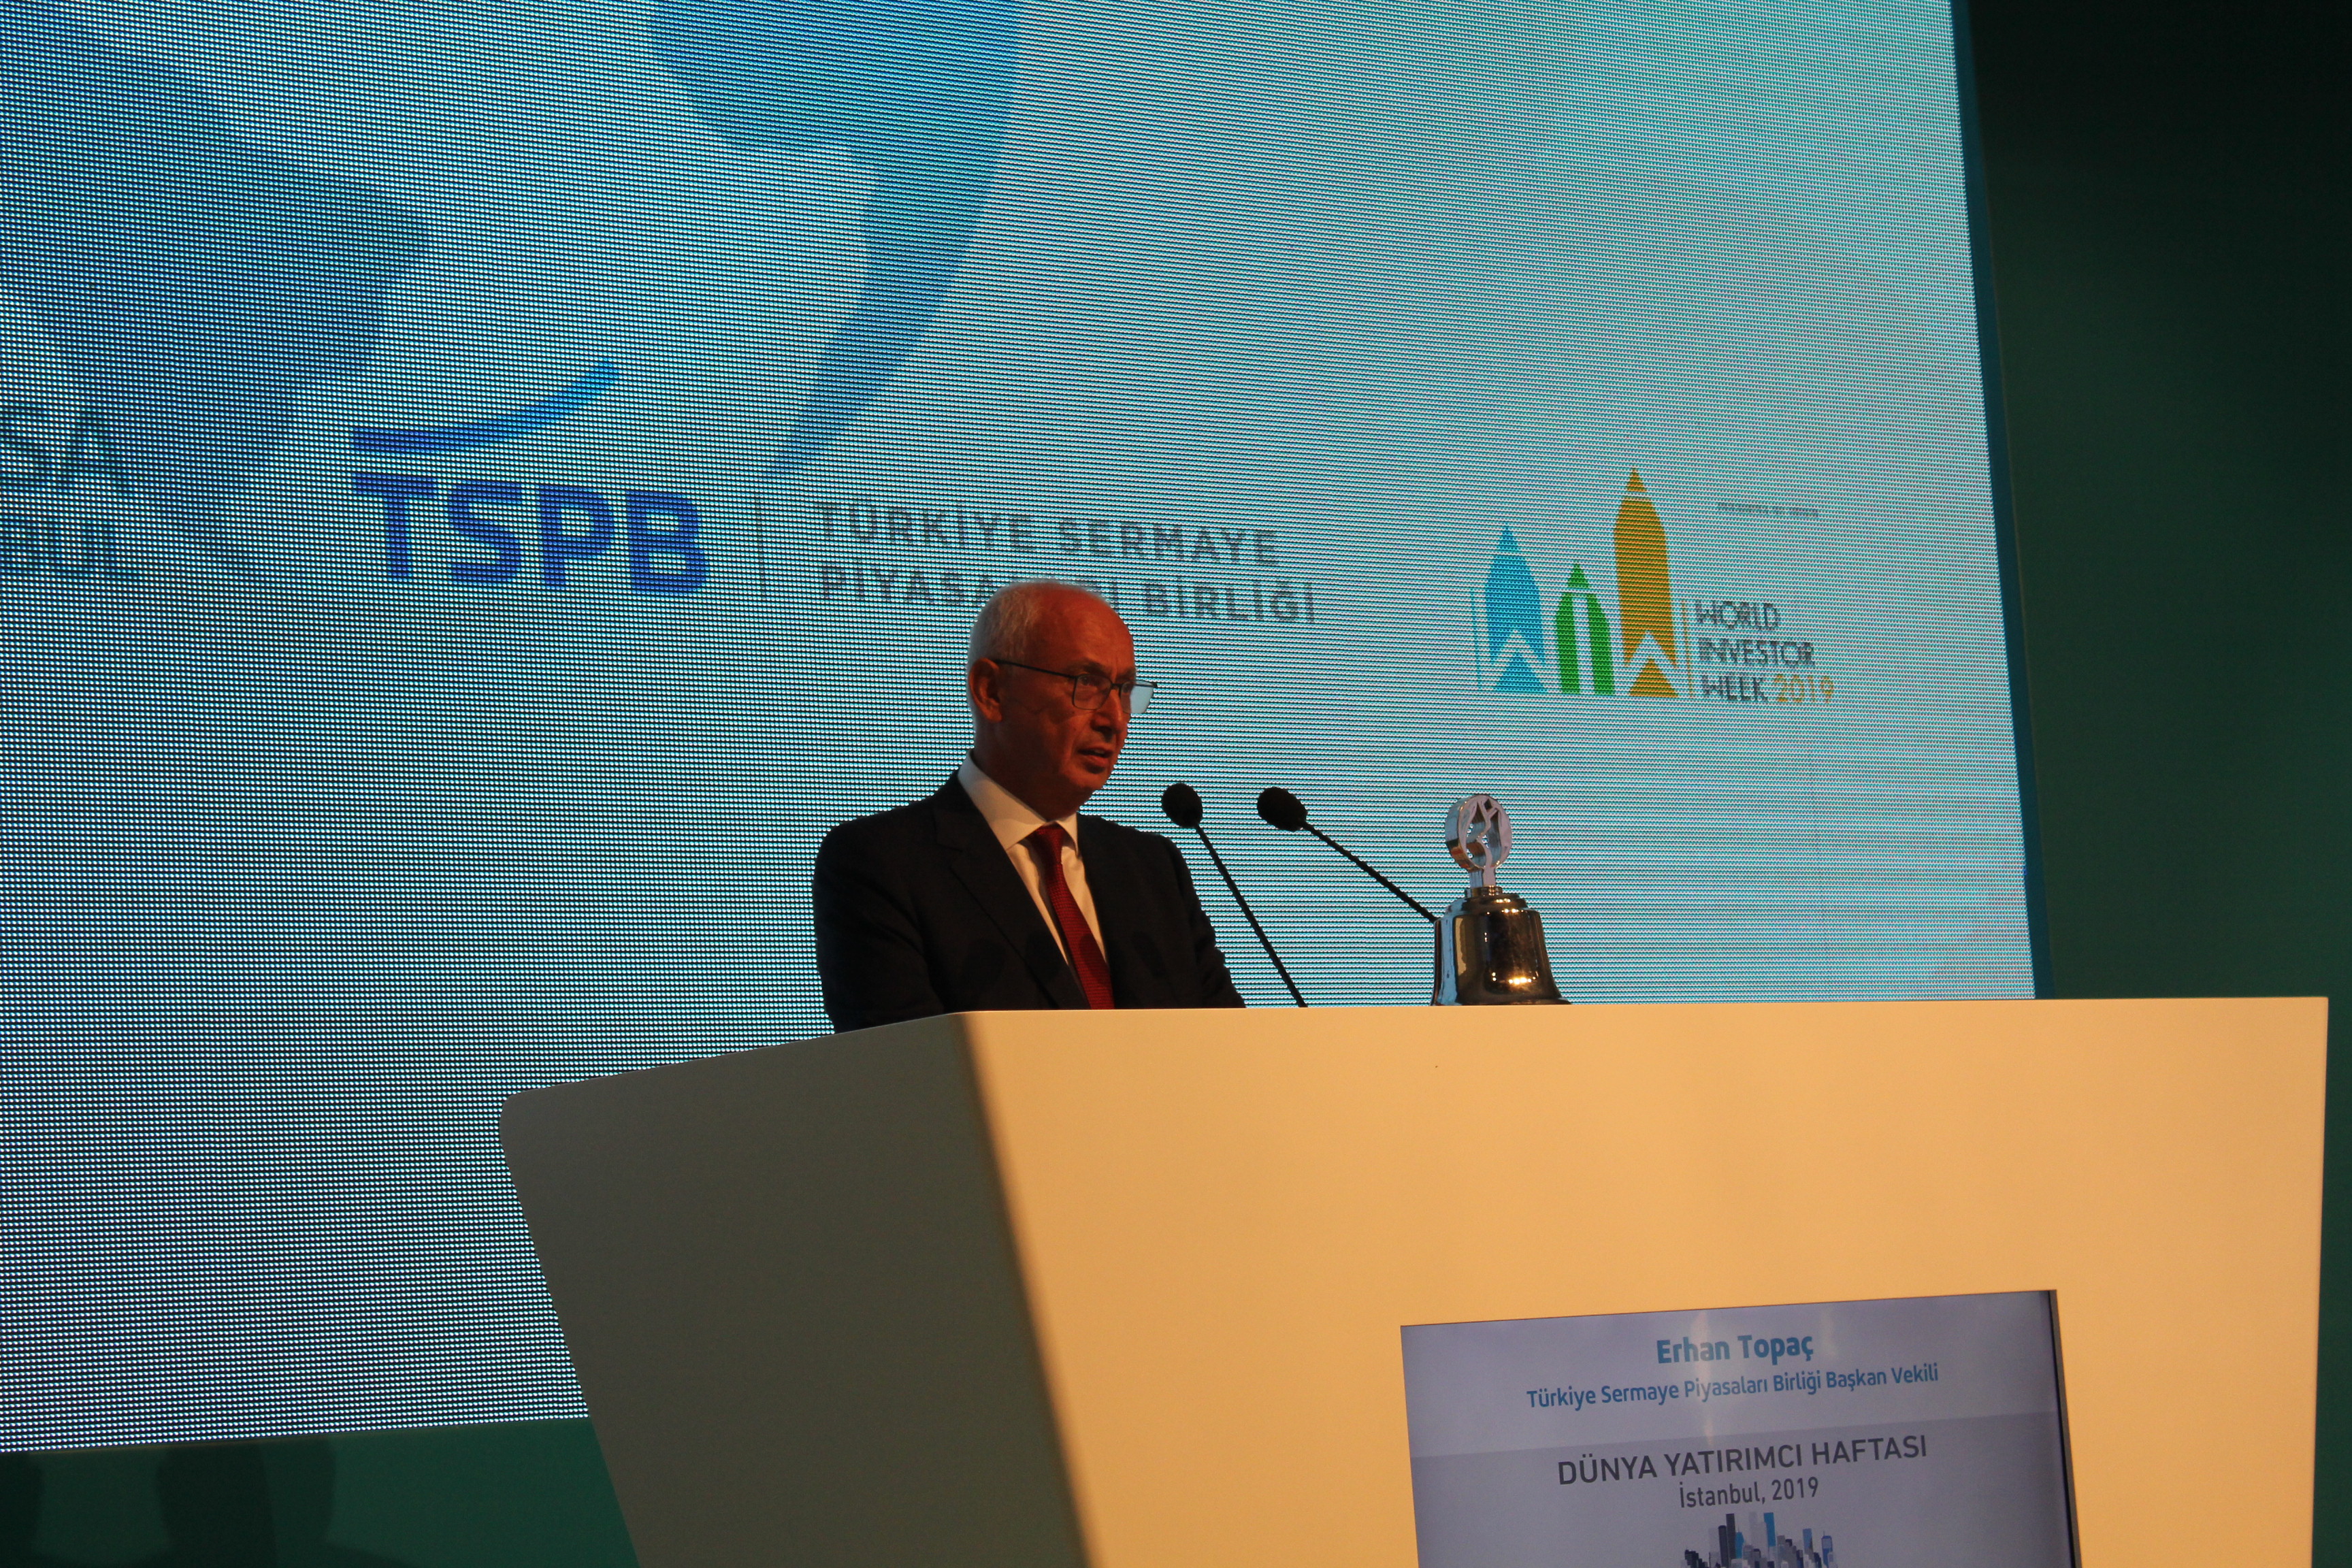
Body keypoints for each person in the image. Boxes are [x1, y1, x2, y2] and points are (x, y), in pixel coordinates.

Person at [813, 580, 1244, 1030]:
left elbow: (1229, 1043)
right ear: (992, 692)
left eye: (1125, 690)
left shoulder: (1152, 868)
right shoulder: (882, 863)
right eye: (1087, 683)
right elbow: (903, 1059)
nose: (1115, 719)